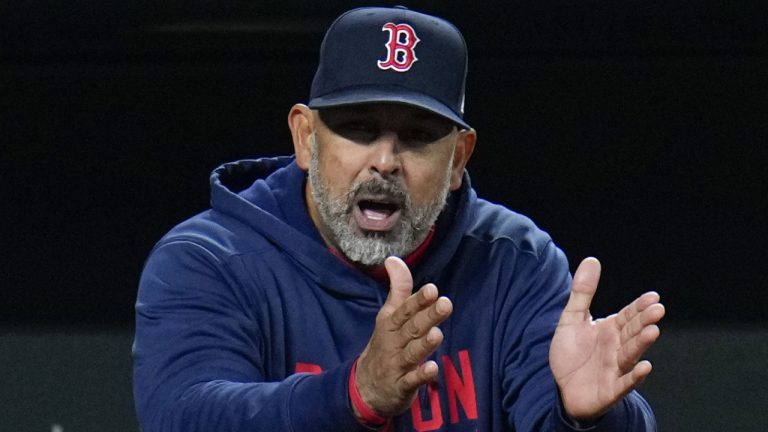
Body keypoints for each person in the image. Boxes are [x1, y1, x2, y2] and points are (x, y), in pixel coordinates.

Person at [133, 6, 665, 431]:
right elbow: (182, 414)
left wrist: (590, 417)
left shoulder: (514, 262)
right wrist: (354, 395)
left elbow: (557, 416)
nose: (385, 161)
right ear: (305, 137)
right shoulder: (209, 259)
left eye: (416, 136)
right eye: (360, 129)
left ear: (458, 158)